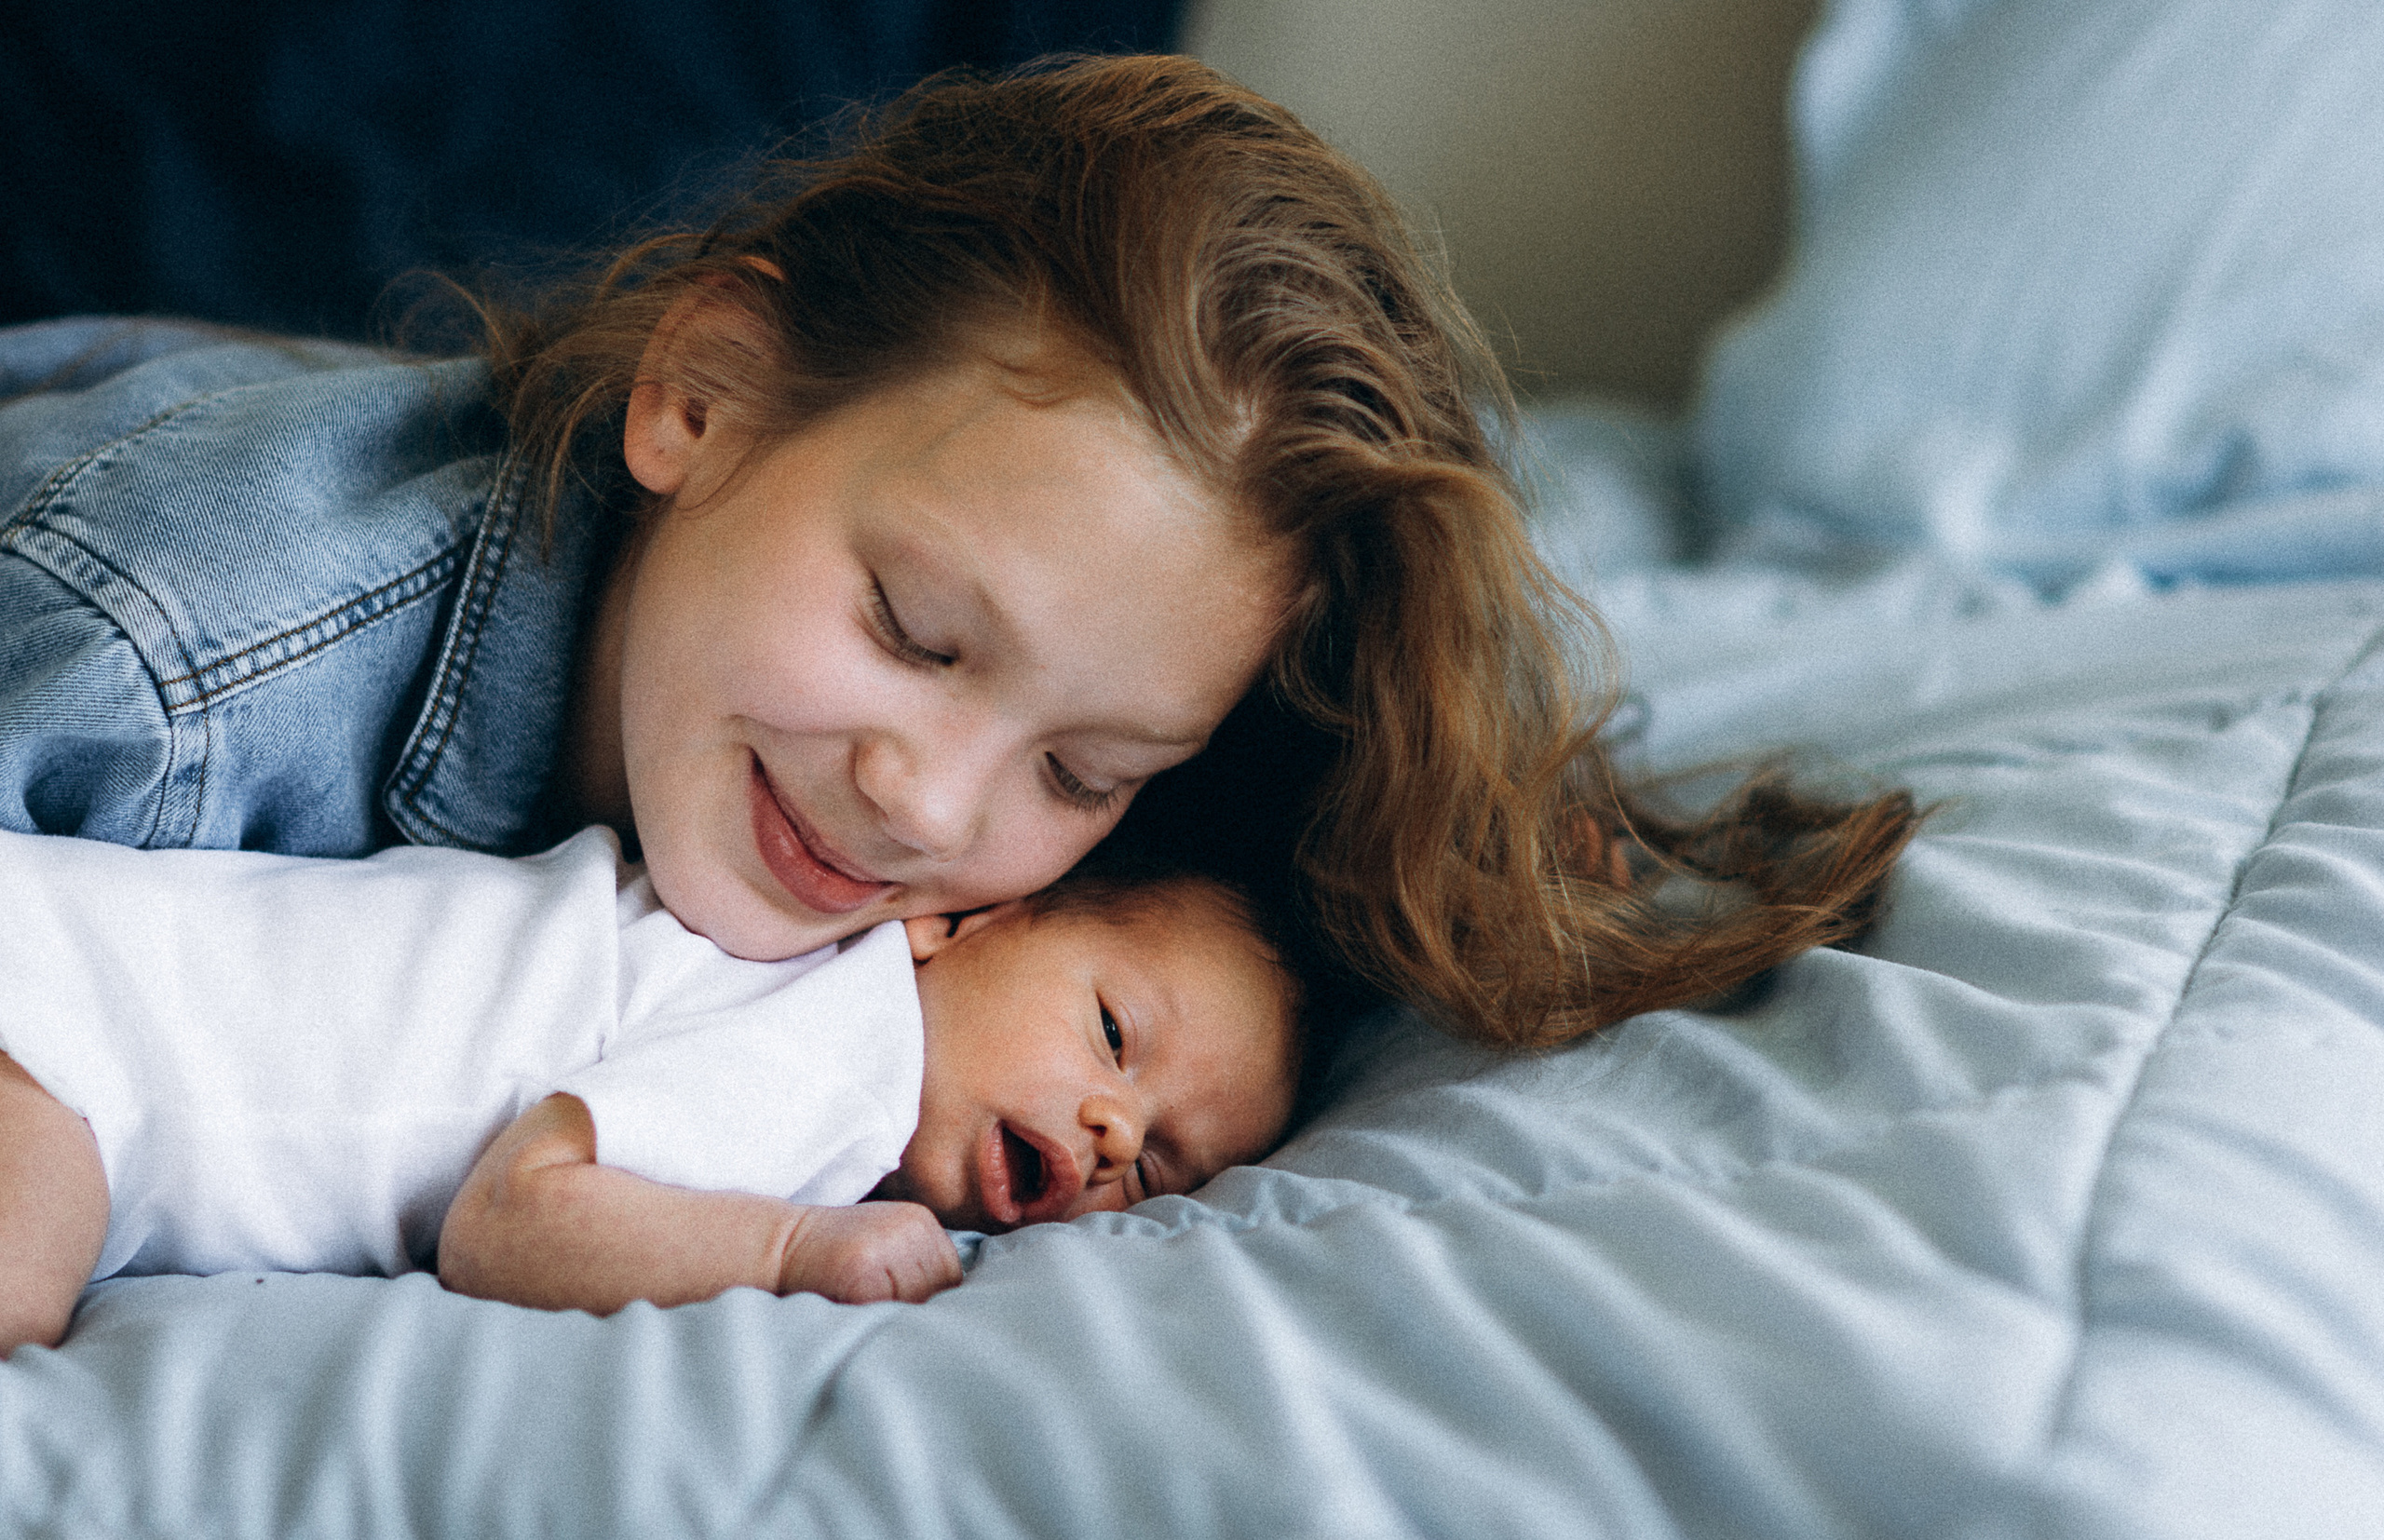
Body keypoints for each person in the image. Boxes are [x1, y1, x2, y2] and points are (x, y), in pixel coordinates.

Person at [0, 53, 1914, 1059]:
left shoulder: (1054, 774)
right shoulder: (169, 671)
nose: (928, 803)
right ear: (702, 397)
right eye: (913, 632)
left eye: (1084, 770)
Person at [0, 826, 1305, 1356]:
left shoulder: (760, 967)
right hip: (72, 1049)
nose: (1115, 1131)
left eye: (1162, 1165)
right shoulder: (845, 1048)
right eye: (1112, 1033)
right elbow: (510, 1218)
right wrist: (792, 1250)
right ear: (960, 921)